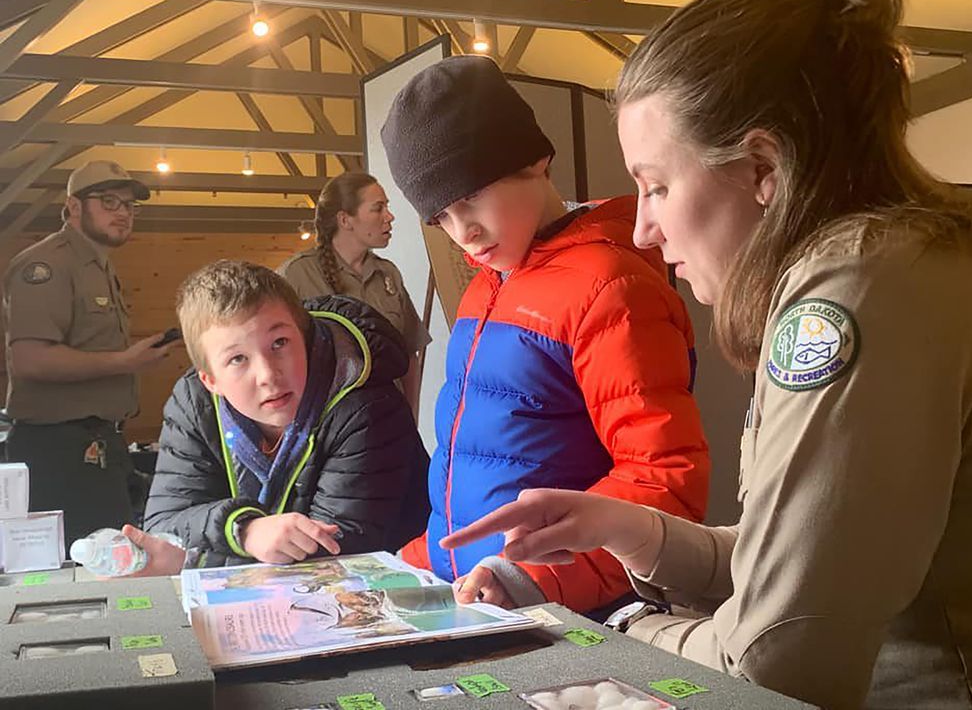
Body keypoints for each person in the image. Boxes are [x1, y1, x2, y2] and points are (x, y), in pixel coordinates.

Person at [440, 0, 972, 708]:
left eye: (657, 184)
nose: (644, 226)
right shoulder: (899, 263)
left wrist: (621, 632)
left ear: (764, 168)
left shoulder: (854, 294)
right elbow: (804, 564)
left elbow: (776, 661)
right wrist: (634, 531)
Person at [380, 56, 710, 616]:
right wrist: (417, 560)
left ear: (535, 162)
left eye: (471, 199)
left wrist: (524, 576)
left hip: (565, 608)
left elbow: (664, 480)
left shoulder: (610, 286)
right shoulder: (485, 289)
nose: (464, 233)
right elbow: (481, 467)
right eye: (440, 217)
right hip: (474, 598)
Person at [142, 260, 430, 568]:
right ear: (211, 381)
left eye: (279, 343)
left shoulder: (367, 405)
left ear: (304, 338)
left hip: (398, 586)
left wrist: (198, 554)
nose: (268, 374)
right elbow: (164, 529)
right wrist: (244, 530)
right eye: (238, 359)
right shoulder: (193, 403)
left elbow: (334, 552)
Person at [2, 160, 178, 549]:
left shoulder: (96, 266)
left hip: (98, 443)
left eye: (130, 206)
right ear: (74, 207)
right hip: (60, 450)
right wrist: (125, 362)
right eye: (109, 201)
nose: (123, 213)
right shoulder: (47, 265)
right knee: (84, 573)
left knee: (112, 565)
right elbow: (29, 360)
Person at [277, 173, 431, 416]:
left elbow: (409, 354)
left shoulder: (387, 274)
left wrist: (410, 415)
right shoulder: (297, 275)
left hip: (388, 422)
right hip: (328, 427)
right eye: (378, 209)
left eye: (387, 208)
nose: (389, 217)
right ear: (345, 219)